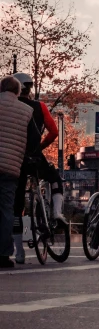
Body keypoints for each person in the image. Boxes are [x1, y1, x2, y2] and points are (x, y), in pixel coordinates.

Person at [12, 72, 67, 265]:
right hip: (35, 156)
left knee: (16, 205)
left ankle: (19, 253)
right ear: (30, 88)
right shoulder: (40, 106)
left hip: (16, 157)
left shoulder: (11, 107)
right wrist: (40, 148)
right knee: (54, 178)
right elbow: (53, 132)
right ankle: (57, 212)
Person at [0, 76, 40, 269]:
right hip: (11, 167)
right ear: (17, 91)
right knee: (7, 209)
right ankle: (3, 254)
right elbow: (35, 139)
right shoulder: (26, 110)